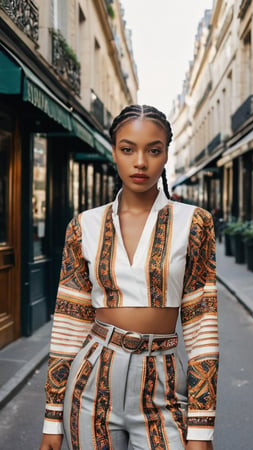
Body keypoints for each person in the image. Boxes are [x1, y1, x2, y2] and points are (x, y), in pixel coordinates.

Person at [40, 105, 219, 450]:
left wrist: (201, 428)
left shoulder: (195, 222)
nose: (140, 162)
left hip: (164, 382)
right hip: (91, 381)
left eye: (154, 150)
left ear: (166, 153)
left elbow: (201, 325)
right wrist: (51, 418)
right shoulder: (84, 226)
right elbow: (68, 323)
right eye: (128, 149)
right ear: (114, 153)